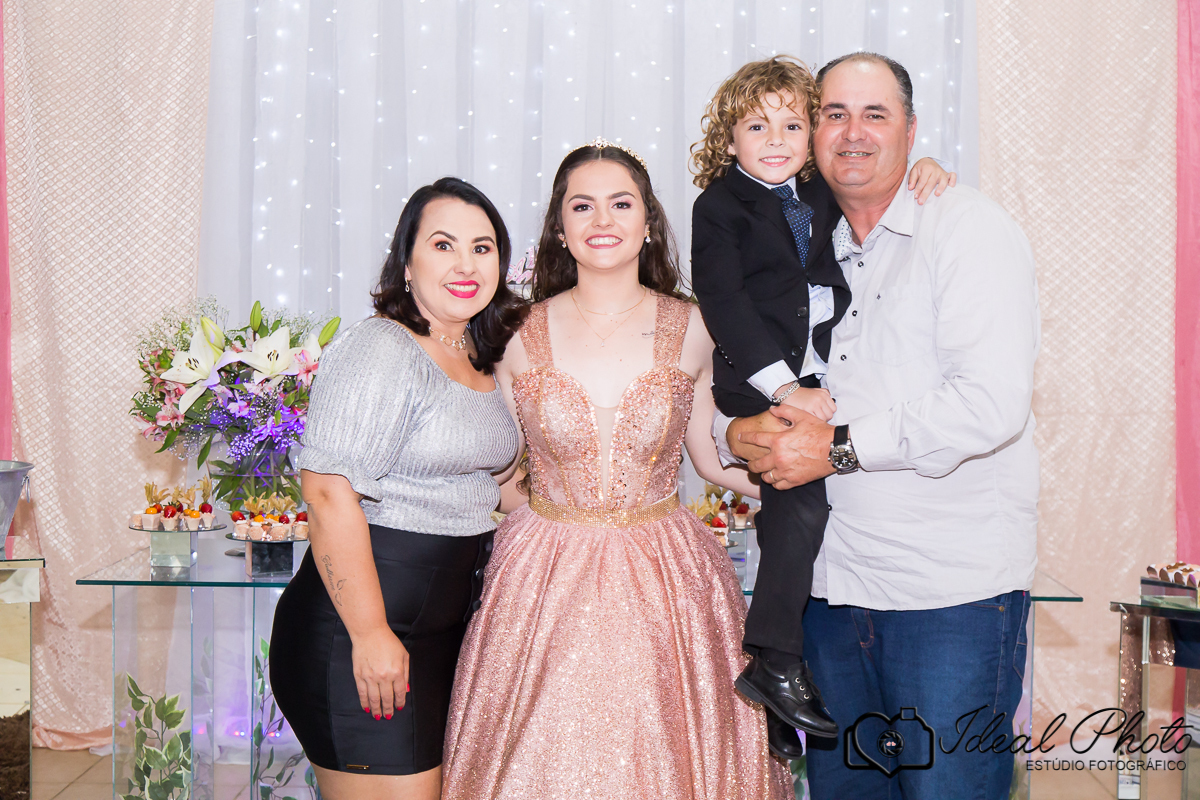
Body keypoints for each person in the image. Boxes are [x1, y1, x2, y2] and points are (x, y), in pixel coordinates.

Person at [722, 53, 1040, 800]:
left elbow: (989, 404)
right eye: (834, 114)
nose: (853, 133)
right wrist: (735, 433)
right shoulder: (802, 240)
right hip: (830, 597)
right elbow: (743, 358)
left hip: (947, 601)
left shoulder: (965, 229)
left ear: (912, 130)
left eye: (875, 115)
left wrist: (834, 449)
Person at [440, 138, 792, 800]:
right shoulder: (511, 331)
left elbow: (712, 458)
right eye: (582, 206)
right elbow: (500, 472)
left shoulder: (698, 326)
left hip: (669, 576)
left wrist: (811, 483)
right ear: (560, 227)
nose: (602, 220)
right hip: (540, 578)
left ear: (648, 219)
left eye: (621, 203)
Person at [689, 55, 954, 756]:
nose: (775, 139)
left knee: (797, 523)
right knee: (801, 510)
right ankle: (774, 660)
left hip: (816, 376)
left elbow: (880, 187)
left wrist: (924, 168)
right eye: (756, 126)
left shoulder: (817, 191)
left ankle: (779, 677)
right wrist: (784, 389)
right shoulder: (719, 206)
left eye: (791, 125)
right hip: (761, 379)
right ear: (728, 138)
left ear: (810, 136)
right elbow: (725, 306)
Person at [269, 177, 526, 800]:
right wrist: (370, 634)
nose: (465, 265)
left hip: (444, 631)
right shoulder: (382, 346)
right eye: (443, 245)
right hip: (363, 631)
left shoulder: (480, 354)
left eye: (482, 247)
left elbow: (489, 489)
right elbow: (327, 493)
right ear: (407, 263)